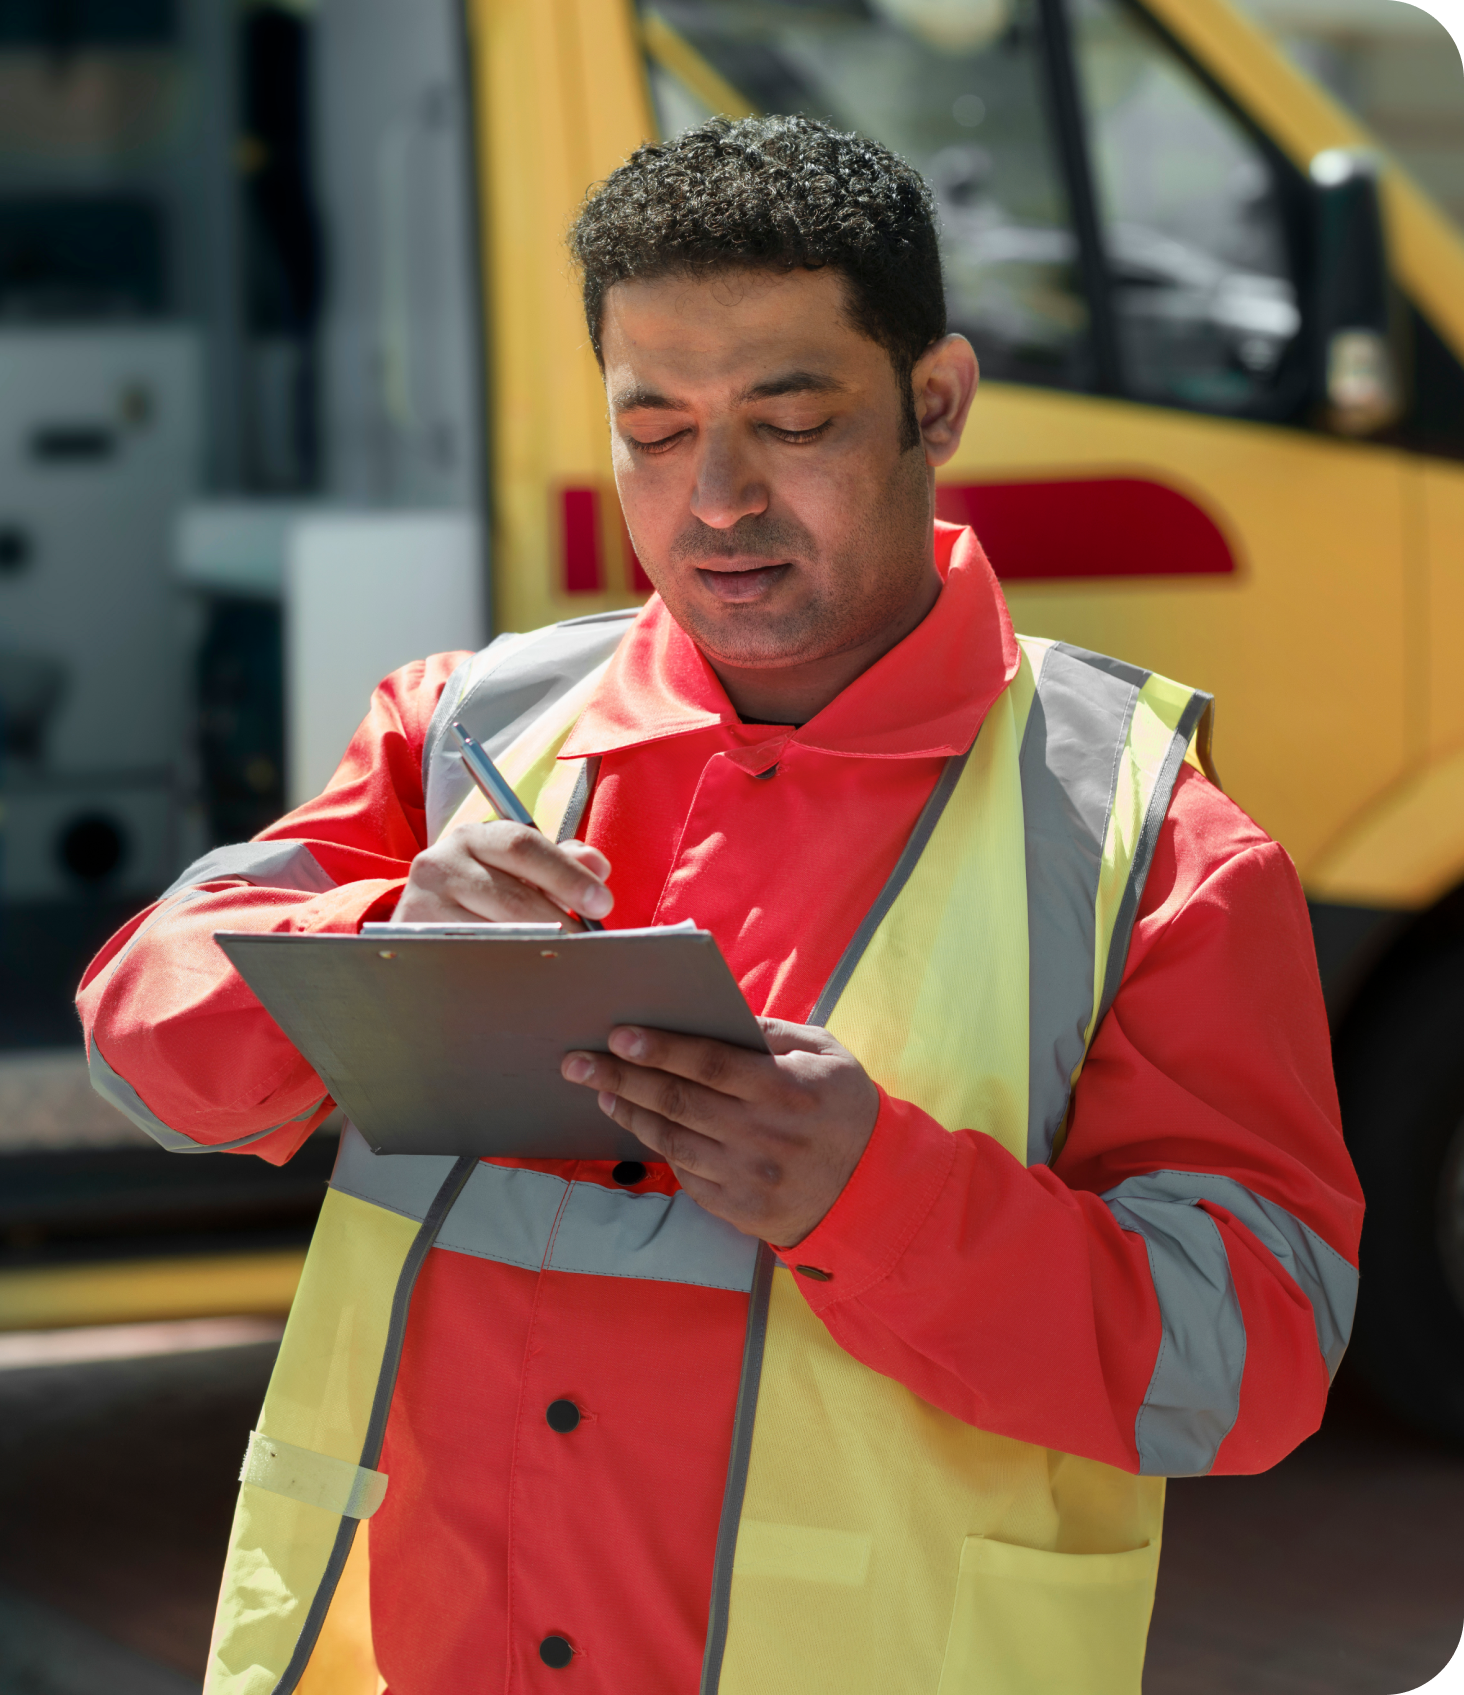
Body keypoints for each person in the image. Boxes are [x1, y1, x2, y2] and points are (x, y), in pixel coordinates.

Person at [77, 115, 1361, 1695]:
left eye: (790, 421)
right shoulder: (465, 734)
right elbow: (140, 1045)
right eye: (655, 431)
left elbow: (1252, 1366)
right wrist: (382, 937)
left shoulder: (1152, 843)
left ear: (936, 402)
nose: (717, 498)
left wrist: (876, 1196)